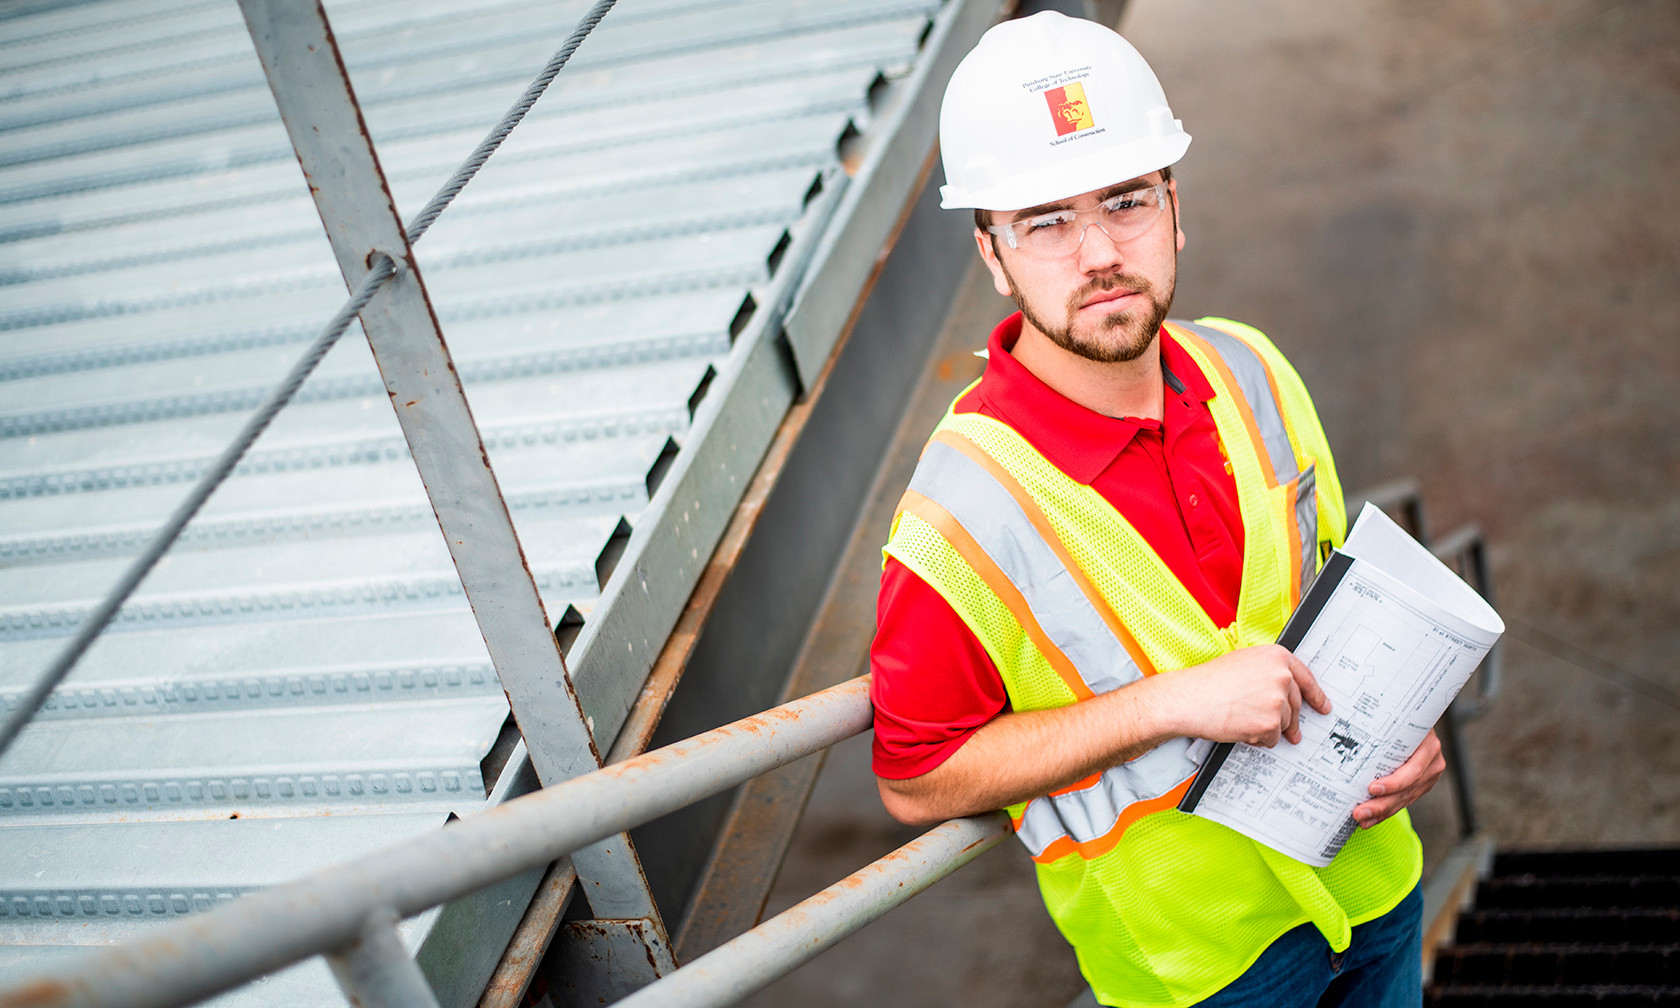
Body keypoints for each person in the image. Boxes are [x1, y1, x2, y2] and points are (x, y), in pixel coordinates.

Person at [869, 12, 1444, 1008]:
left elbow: (1344, 603)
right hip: (1200, 972)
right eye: (1046, 220)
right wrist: (1171, 705)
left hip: (1378, 884)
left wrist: (1410, 728)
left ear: (1174, 208)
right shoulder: (960, 512)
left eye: (1126, 200)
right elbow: (915, 777)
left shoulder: (1252, 367)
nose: (1098, 251)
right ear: (994, 256)